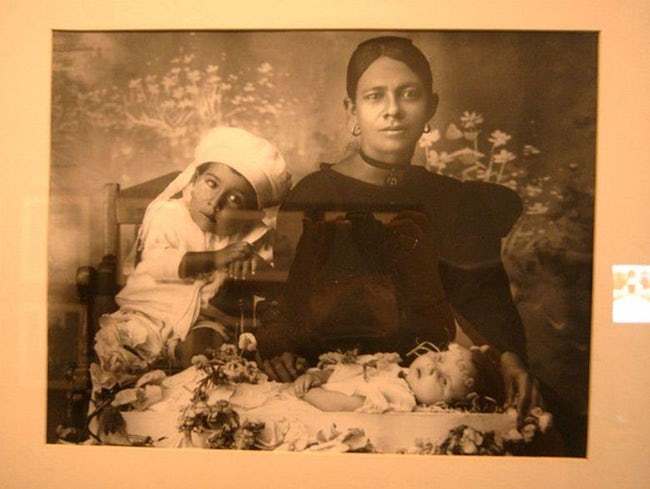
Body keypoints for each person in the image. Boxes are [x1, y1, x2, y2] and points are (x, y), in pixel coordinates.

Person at [254, 35, 540, 417]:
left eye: (408, 94)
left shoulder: (452, 199)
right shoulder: (315, 195)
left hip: (428, 384)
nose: (393, 110)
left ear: (430, 107)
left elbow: (483, 295)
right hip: (331, 384)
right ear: (351, 110)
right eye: (375, 96)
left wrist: (508, 358)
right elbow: (286, 297)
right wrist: (281, 350)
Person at [91, 126, 291, 391]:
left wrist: (255, 267)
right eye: (211, 184)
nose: (215, 203)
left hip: (205, 319)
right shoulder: (170, 215)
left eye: (234, 199)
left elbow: (275, 288)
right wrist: (216, 258)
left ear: (251, 213)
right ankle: (124, 394)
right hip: (149, 313)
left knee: (206, 353)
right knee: (125, 348)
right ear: (194, 181)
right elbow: (158, 263)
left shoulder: (253, 237)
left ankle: (189, 400)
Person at [292, 343, 505, 414]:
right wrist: (318, 376)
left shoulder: (400, 396)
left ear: (443, 405)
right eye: (439, 359)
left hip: (315, 405)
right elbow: (346, 372)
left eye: (444, 381)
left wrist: (310, 392)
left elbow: (347, 405)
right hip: (313, 389)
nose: (432, 368)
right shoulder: (394, 368)